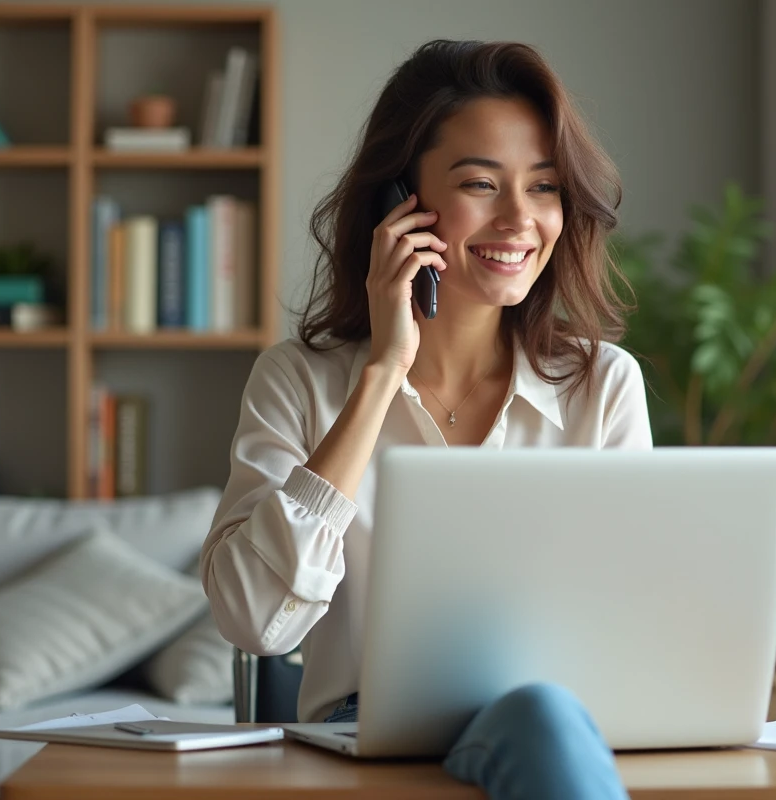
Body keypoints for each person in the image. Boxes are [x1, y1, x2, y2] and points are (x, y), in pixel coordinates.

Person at [200, 39, 651, 800]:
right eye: (482, 183)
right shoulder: (300, 380)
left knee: (541, 713)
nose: (519, 220)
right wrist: (380, 376)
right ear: (399, 203)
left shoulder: (603, 385)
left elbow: (637, 615)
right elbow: (254, 622)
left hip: (560, 727)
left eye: (543, 188)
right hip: (363, 732)